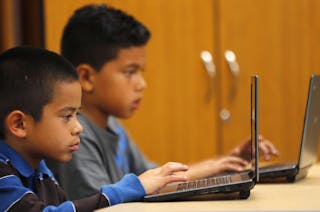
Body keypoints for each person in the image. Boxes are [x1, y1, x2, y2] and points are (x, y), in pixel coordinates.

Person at [47, 4, 279, 200]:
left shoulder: (112, 125)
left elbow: (157, 179)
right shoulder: (76, 137)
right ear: (86, 77)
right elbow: (103, 204)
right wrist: (214, 167)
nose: (141, 84)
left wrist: (225, 163)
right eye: (130, 72)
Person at [0, 46, 189, 211]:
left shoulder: (39, 169)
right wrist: (130, 188)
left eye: (77, 114)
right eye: (67, 116)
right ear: (19, 124)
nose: (78, 128)